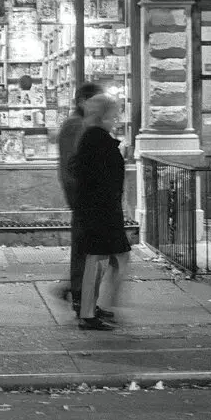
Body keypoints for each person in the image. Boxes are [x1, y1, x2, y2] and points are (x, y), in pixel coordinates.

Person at [72, 93, 132, 331]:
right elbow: (100, 177)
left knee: (107, 259)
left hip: (100, 209)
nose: (116, 119)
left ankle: (93, 307)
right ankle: (89, 312)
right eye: (113, 115)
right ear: (103, 116)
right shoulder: (96, 139)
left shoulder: (95, 137)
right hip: (101, 210)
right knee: (100, 260)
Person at [56, 81, 104, 315]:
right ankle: (80, 298)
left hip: (86, 195)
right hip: (84, 196)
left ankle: (81, 296)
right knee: (88, 250)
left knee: (91, 249)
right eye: (97, 101)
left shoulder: (82, 124)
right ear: (83, 102)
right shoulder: (76, 125)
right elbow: (74, 164)